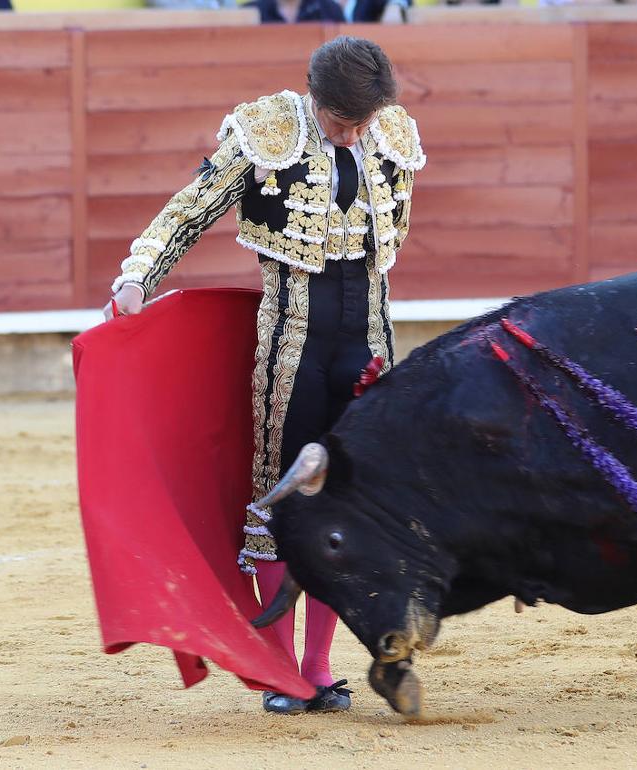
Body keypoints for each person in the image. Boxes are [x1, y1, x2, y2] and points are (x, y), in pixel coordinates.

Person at [104, 35, 425, 714]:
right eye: (343, 122)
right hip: (293, 347)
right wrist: (138, 276)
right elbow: (190, 210)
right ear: (315, 100)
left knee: (350, 503)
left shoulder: (389, 133)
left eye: (363, 122)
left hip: (370, 345)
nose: (355, 133)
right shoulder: (267, 131)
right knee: (284, 501)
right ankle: (281, 668)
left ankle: (319, 666)